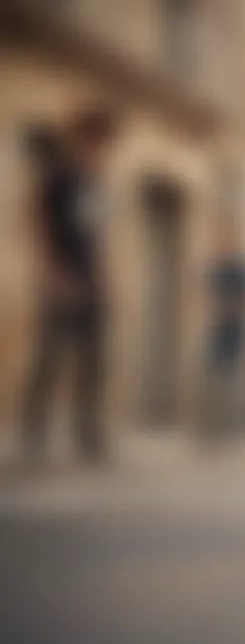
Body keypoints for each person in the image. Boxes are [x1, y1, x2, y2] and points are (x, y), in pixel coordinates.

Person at [20, 106, 119, 466]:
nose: (103, 149)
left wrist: (104, 279)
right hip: (63, 277)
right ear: (84, 138)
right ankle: (33, 433)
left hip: (89, 278)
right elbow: (42, 224)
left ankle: (88, 435)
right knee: (51, 357)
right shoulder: (59, 175)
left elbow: (95, 236)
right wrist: (55, 273)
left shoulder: (94, 181)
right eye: (99, 141)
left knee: (94, 360)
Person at [202, 217, 245, 440]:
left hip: (236, 328)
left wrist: (233, 307)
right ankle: (213, 425)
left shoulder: (242, 269)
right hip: (218, 327)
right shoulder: (216, 269)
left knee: (235, 376)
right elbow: (207, 295)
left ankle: (232, 427)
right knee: (214, 373)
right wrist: (216, 308)